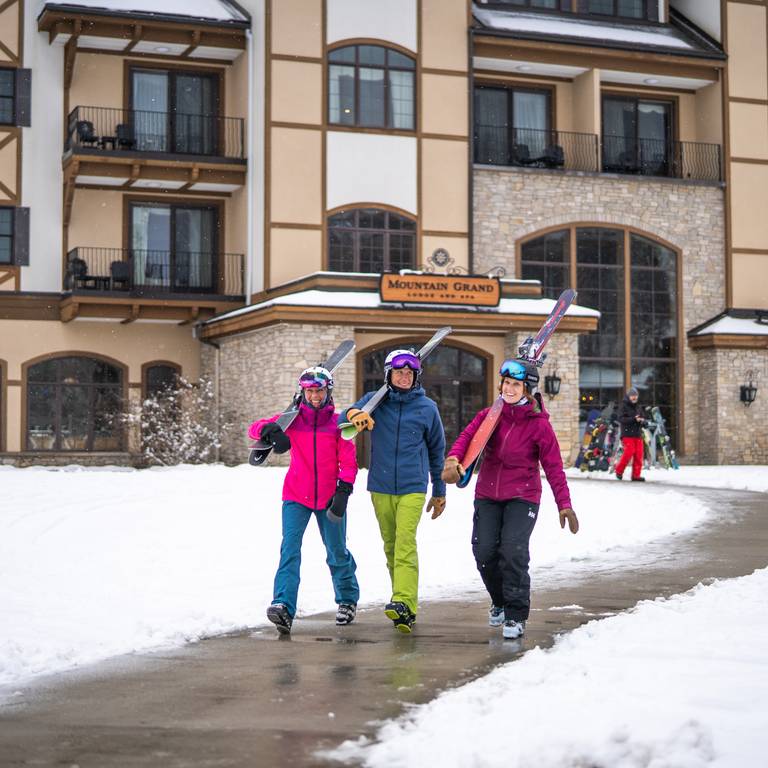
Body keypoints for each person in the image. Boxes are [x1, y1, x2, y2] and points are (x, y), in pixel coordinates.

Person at [442, 359, 579, 640]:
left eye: (516, 384)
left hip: (523, 497)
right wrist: (454, 458)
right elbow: (468, 437)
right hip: (487, 494)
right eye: (506, 383)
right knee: (484, 553)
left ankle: (516, 615)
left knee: (513, 552)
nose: (509, 388)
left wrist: (564, 504)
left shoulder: (539, 426)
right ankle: (500, 601)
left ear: (527, 389)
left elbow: (553, 468)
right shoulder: (491, 415)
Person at [248, 366, 359, 635]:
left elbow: (348, 461)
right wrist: (270, 431)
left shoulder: (338, 423)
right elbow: (254, 428)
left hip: (330, 496)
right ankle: (283, 606)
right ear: (303, 393)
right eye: (310, 391)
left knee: (336, 551)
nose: (315, 396)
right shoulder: (293, 419)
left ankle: (347, 598)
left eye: (319, 390)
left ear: (328, 391)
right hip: (296, 495)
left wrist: (344, 490)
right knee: (290, 550)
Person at [343, 348, 446, 633]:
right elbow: (343, 419)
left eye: (410, 373)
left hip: (413, 486)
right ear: (389, 374)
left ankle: (403, 600)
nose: (404, 377)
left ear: (416, 377)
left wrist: (439, 490)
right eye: (399, 372)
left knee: (404, 543)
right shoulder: (377, 401)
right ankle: (403, 608)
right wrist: (354, 414)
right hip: (381, 485)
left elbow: (437, 451)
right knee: (390, 546)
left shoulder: (428, 408)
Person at [614, 387, 646, 482]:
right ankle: (619, 471)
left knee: (639, 455)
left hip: (638, 434)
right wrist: (633, 419)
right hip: (627, 434)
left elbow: (643, 418)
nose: (634, 397)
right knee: (629, 452)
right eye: (632, 396)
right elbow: (621, 419)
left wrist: (643, 421)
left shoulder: (638, 407)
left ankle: (636, 475)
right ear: (628, 396)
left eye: (636, 396)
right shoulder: (623, 406)